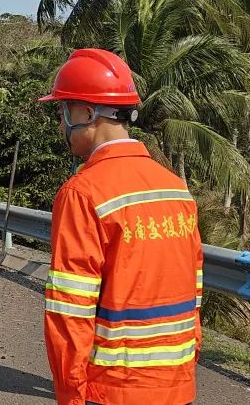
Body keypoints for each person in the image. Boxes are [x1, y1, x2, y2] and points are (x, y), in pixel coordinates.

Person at [40, 48, 202, 405]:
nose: (61, 125)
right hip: (178, 387)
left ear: (86, 113)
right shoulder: (176, 188)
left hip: (112, 390)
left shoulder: (83, 193)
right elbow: (194, 290)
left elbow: (71, 309)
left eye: (63, 111)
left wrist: (71, 395)